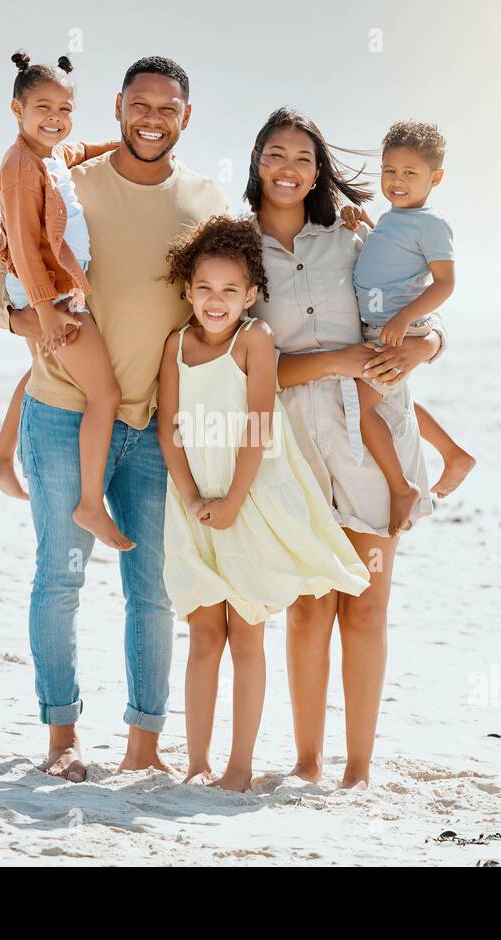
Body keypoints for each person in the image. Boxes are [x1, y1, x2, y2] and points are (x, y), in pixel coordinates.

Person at [0, 56, 227, 782]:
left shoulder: (205, 201)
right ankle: (62, 736)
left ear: (188, 115)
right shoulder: (66, 180)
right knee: (59, 578)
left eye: (168, 108)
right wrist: (28, 320)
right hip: (61, 411)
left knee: (151, 588)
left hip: (153, 424)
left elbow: (236, 297)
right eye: (140, 104)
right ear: (118, 107)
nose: (153, 118)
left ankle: (144, 744)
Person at [244, 107, 447, 788]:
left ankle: (358, 770)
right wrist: (337, 360)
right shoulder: (238, 251)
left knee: (365, 604)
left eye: (303, 157)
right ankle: (307, 762)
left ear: (319, 170)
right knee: (307, 605)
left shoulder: (353, 242)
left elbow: (416, 309)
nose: (289, 168)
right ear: (257, 162)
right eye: (276, 154)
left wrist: (426, 343)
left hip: (370, 436)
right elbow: (249, 368)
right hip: (291, 443)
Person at [156, 216, 370, 791]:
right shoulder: (176, 344)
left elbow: (259, 423)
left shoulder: (255, 339)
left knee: (246, 635)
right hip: (193, 504)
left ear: (251, 294)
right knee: (202, 636)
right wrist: (194, 496)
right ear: (187, 289)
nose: (215, 301)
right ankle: (196, 761)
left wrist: (231, 501)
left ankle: (239, 766)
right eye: (204, 289)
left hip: (246, 503)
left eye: (230, 290)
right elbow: (167, 430)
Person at [0, 51, 133, 549]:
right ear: (16, 109)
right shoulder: (20, 168)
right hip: (48, 291)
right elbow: (25, 245)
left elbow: (81, 150)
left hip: (52, 288)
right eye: (43, 107)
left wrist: (128, 143)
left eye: (65, 109)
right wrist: (47, 310)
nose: (55, 118)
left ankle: (3, 459)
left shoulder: (51, 156)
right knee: (105, 394)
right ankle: (90, 504)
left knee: (45, 371)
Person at [343, 120, 475, 532]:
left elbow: (446, 283)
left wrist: (403, 318)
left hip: (400, 330)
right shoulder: (392, 217)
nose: (397, 181)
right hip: (380, 329)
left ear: (435, 178)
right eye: (389, 172)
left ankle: (402, 487)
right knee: (389, 400)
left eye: (410, 174)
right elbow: (388, 258)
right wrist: (364, 226)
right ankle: (453, 455)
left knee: (361, 408)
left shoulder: (432, 223)